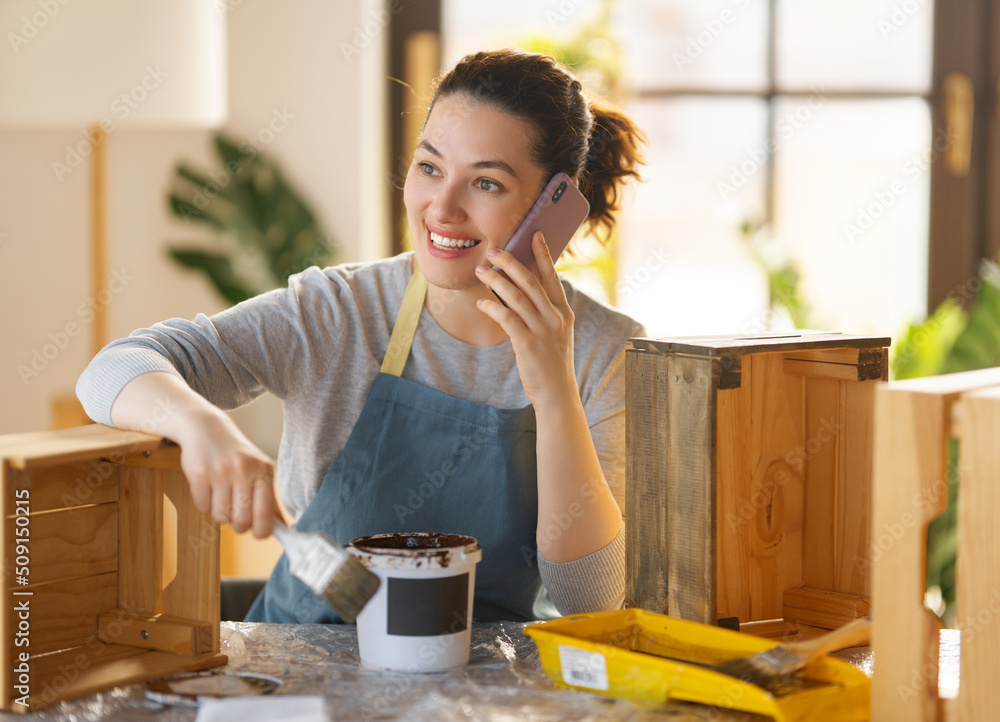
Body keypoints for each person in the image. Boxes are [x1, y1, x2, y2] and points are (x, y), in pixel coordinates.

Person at [76, 48, 646, 623]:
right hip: (301, 671)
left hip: (485, 696)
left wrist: (553, 389)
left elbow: (590, 601)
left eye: (487, 183)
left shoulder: (606, 351)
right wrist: (197, 424)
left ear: (555, 205)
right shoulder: (339, 311)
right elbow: (111, 369)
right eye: (430, 168)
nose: (441, 209)